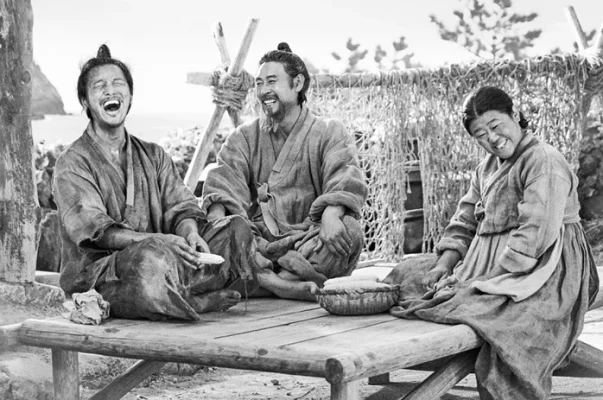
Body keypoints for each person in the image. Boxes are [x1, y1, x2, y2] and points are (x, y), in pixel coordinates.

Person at [384, 86, 599, 400]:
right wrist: (444, 266)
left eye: (496, 126)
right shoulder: (485, 168)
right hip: (484, 262)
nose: (493, 139)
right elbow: (464, 220)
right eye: (481, 135)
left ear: (515, 115)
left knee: (506, 326)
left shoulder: (543, 160)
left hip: (542, 267)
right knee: (408, 277)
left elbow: (536, 233)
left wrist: (486, 280)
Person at [53, 44, 260, 321]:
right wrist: (157, 241)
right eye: (99, 86)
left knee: (236, 230)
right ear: (85, 101)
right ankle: (191, 299)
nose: (110, 91)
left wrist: (190, 234)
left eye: (118, 84)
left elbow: (181, 207)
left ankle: (176, 295)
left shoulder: (154, 155)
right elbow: (99, 232)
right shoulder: (72, 163)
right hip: (105, 273)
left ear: (130, 95)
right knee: (148, 260)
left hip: (168, 258)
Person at [201, 42, 368, 301]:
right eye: (259, 83)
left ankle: (259, 281)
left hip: (308, 240)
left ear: (297, 83)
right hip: (258, 244)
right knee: (217, 230)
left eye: (271, 81)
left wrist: (332, 214)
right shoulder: (243, 138)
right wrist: (219, 223)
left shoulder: (329, 131)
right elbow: (223, 184)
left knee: (350, 231)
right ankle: (283, 283)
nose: (263, 91)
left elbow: (344, 177)